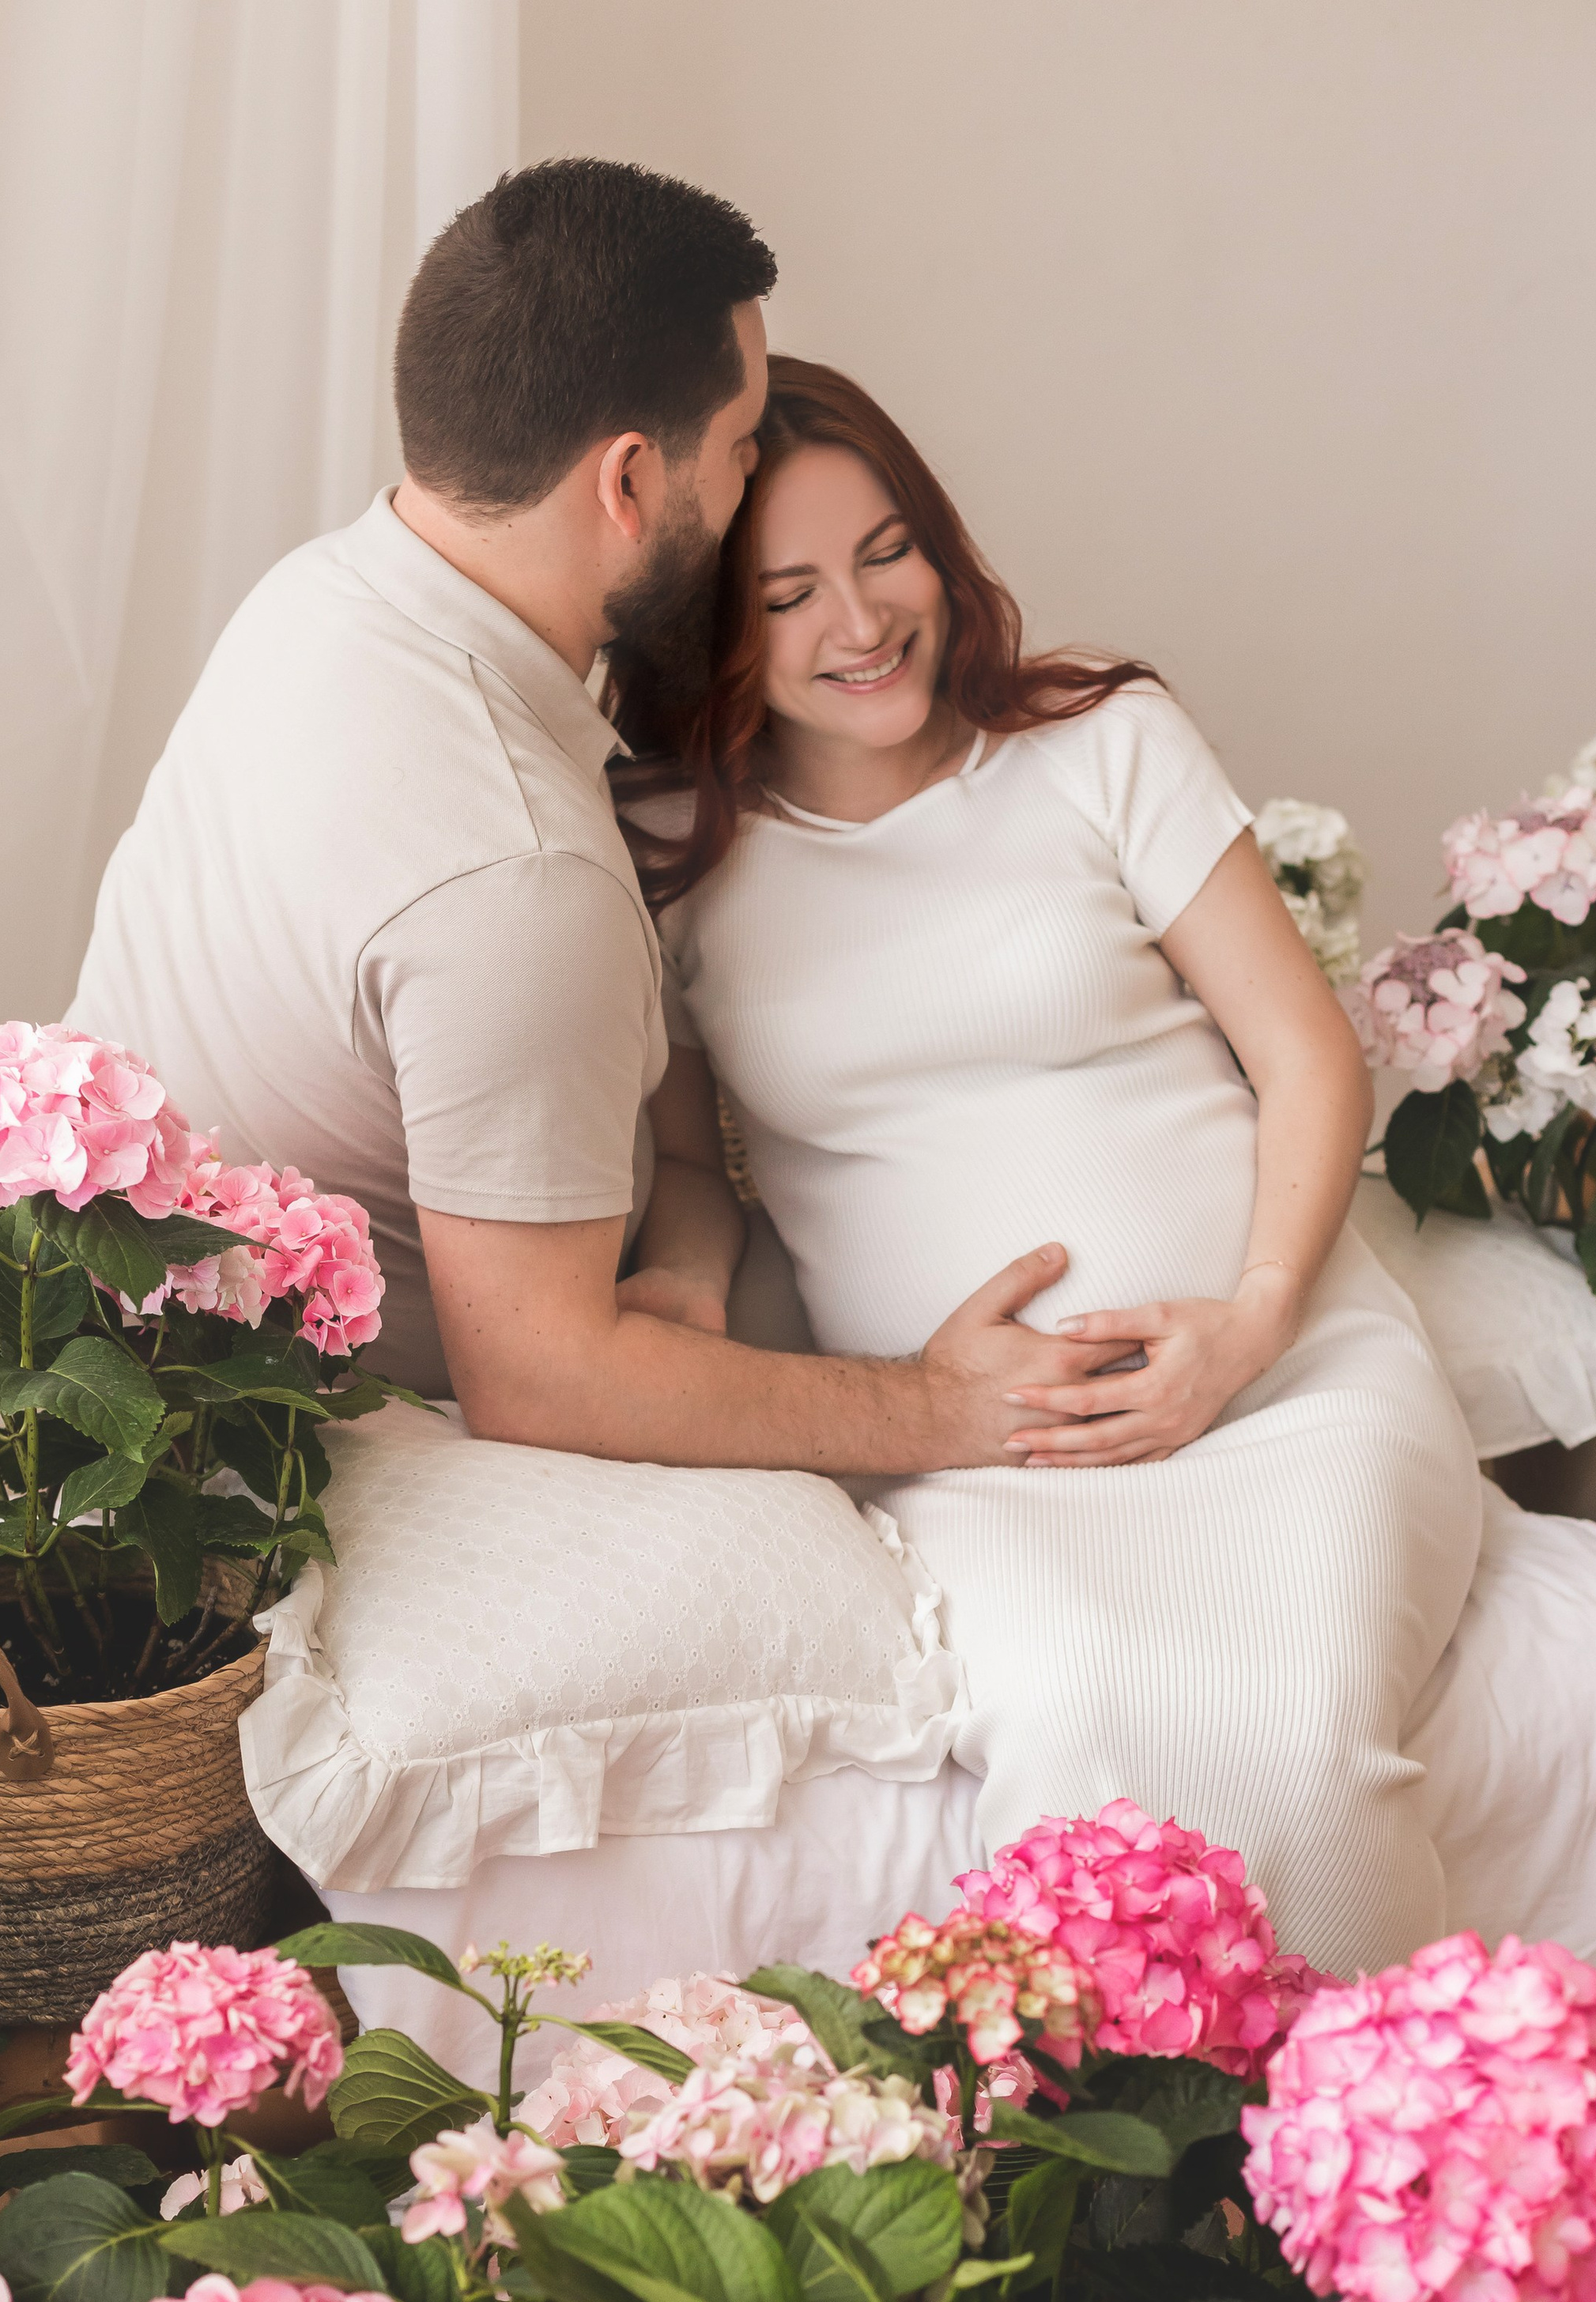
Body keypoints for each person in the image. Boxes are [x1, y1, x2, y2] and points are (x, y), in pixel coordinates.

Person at [610, 357, 1488, 1976]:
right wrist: (671, 1288)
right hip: (975, 1444)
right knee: (1080, 1740)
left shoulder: (1096, 738)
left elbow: (1304, 1054)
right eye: (786, 592)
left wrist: (1248, 1318)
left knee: (1300, 1742)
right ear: (710, 633)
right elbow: (688, 1168)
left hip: (1284, 1381)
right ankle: (1122, 2211)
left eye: (886, 551)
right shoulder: (669, 847)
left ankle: (1372, 2167)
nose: (860, 620)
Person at [72, 160, 1126, 1474]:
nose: (755, 476)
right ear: (629, 482)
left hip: (147, 1372)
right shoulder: (513, 870)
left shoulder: (320, 595)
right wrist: (945, 1404)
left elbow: (643, 1132)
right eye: (742, 448)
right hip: (362, 1449)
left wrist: (688, 1248)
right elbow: (542, 1380)